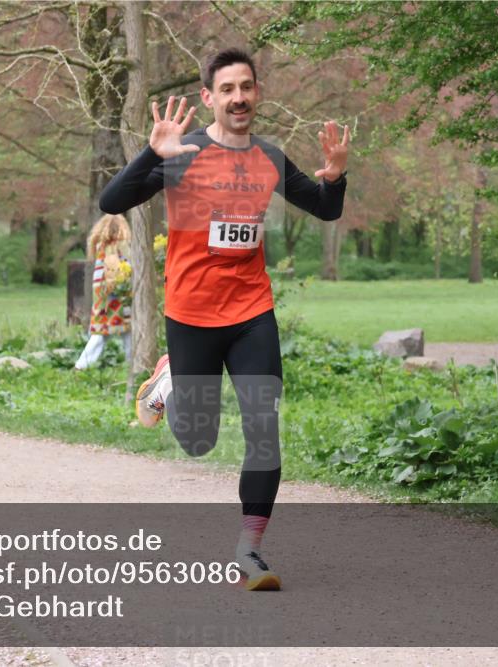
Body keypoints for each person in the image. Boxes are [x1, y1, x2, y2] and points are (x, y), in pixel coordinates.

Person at [99, 48, 349, 590]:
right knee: (197, 441)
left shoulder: (269, 158)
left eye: (247, 87)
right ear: (209, 98)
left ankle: (250, 550)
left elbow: (326, 208)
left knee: (265, 427)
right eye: (227, 89)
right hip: (190, 314)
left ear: (257, 94)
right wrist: (151, 154)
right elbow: (111, 199)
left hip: (252, 311)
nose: (239, 97)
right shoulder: (182, 153)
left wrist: (336, 178)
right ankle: (169, 379)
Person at [74, 214, 133, 370]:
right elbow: (116, 274)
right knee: (126, 333)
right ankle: (133, 365)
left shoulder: (101, 248)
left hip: (102, 301)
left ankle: (82, 366)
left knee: (100, 334)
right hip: (116, 301)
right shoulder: (115, 249)